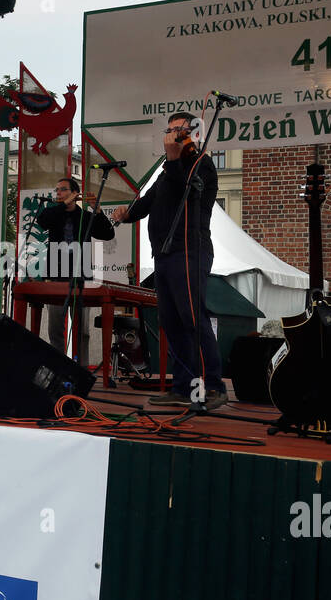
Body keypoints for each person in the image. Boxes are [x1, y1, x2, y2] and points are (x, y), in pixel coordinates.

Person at [111, 113, 226, 411]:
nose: (173, 134)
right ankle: (183, 387)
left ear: (192, 134)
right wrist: (128, 213)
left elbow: (190, 190)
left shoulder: (200, 163)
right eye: (170, 129)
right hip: (163, 253)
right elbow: (148, 203)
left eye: (179, 129)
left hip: (190, 250)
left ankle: (213, 386)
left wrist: (175, 159)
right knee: (171, 322)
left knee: (192, 319)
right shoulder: (166, 171)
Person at [36, 176, 115, 360]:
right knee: (55, 329)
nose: (58, 193)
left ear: (74, 193)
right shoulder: (55, 214)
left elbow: (108, 234)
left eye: (63, 189)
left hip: (81, 277)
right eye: (57, 190)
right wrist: (63, 205)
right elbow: (43, 222)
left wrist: (98, 211)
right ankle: (59, 368)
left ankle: (82, 369)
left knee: (82, 331)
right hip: (56, 276)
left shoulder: (85, 217)